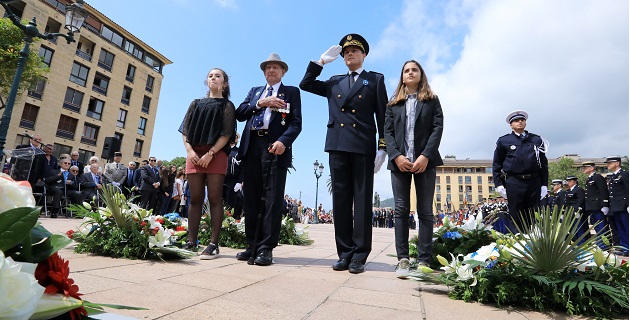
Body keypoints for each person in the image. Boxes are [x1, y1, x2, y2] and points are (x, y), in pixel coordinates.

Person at [300, 34, 387, 274]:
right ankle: (344, 253)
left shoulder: (375, 80)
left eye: (355, 51)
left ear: (364, 55)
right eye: (346, 51)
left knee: (361, 201)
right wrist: (320, 62)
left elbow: (383, 117)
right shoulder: (334, 81)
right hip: (337, 144)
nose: (349, 54)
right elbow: (305, 84)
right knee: (339, 202)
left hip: (362, 146)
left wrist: (383, 147)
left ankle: (359, 254)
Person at [235, 53, 302, 266]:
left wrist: (284, 141)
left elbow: (296, 123)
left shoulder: (291, 92)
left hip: (274, 148)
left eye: (276, 67)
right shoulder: (255, 92)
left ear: (283, 72)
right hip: (251, 145)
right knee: (251, 198)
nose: (271, 70)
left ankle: (266, 248)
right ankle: (251, 245)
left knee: (272, 200)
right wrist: (261, 103)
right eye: (268, 68)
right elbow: (240, 113)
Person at [383, 64, 442, 277]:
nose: (410, 72)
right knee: (400, 210)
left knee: (425, 211)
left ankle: (424, 259)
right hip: (399, 162)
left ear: (420, 75)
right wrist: (396, 156)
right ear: (402, 76)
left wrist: (426, 155)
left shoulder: (431, 100)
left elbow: (437, 128)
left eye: (414, 70)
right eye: (406, 70)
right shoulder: (393, 104)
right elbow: (387, 133)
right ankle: (403, 259)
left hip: (424, 162)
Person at [179, 68, 236, 259]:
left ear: (224, 83)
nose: (213, 78)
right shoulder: (195, 104)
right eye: (210, 75)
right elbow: (185, 131)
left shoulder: (227, 106)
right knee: (195, 198)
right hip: (194, 153)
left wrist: (211, 153)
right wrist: (190, 151)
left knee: (214, 198)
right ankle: (191, 241)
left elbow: (226, 134)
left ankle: (213, 244)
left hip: (216, 153)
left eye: (218, 76)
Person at [492, 110, 548, 232]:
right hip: (514, 181)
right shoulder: (504, 141)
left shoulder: (536, 140)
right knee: (516, 213)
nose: (520, 122)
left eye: (522, 120)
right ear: (511, 125)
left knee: (533, 213)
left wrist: (544, 184)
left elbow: (543, 163)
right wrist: (498, 184)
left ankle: (532, 240)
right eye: (516, 121)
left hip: (534, 181)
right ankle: (517, 241)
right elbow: (497, 164)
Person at [582, 161, 610, 249]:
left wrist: (605, 204)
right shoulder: (589, 179)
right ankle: (600, 244)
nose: (583, 169)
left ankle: (605, 245)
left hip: (598, 206)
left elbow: (603, 190)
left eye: (585, 167)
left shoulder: (597, 177)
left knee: (602, 227)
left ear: (591, 168)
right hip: (592, 206)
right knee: (596, 227)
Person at [606, 156, 628, 256]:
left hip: (623, 205)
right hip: (615, 206)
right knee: (620, 228)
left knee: (627, 227)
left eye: (610, 163)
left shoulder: (624, 174)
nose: (608, 165)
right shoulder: (613, 177)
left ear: (617, 163)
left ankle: (628, 247)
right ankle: (624, 247)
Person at [224, 133, 243, 220]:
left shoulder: (239, 151)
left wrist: (240, 181)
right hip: (221, 180)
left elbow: (243, 167)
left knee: (231, 204)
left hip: (233, 181)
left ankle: (230, 222)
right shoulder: (223, 150)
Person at [564, 176, 588, 244]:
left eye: (570, 181)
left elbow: (581, 200)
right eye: (568, 181)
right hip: (570, 212)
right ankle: (575, 242)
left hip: (576, 211)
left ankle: (582, 243)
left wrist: (578, 210)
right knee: (572, 229)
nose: (568, 182)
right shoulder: (570, 190)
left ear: (575, 181)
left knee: (579, 228)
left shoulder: (578, 189)